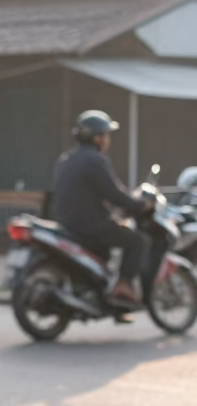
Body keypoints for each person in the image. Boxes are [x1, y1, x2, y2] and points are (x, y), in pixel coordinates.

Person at [51, 110, 151, 307]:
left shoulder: (66, 159)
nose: (107, 140)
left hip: (66, 223)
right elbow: (113, 194)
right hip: (89, 225)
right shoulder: (95, 160)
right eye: (106, 135)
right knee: (137, 240)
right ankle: (124, 285)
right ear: (97, 138)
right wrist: (140, 205)